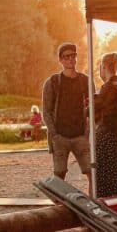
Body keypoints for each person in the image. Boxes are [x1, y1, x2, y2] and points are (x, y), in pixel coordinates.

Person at [41, 42, 92, 187]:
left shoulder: (86, 81)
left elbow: (93, 109)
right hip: (60, 137)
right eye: (66, 57)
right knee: (59, 176)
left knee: (92, 174)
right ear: (60, 60)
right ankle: (58, 202)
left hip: (81, 136)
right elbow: (46, 111)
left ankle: (93, 200)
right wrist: (54, 135)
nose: (70, 59)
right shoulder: (52, 82)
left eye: (73, 56)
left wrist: (87, 133)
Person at [93, 52, 117, 198]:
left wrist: (88, 108)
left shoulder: (109, 87)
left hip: (106, 135)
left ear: (104, 67)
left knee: (104, 177)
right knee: (115, 176)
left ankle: (106, 205)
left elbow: (101, 109)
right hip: (116, 134)